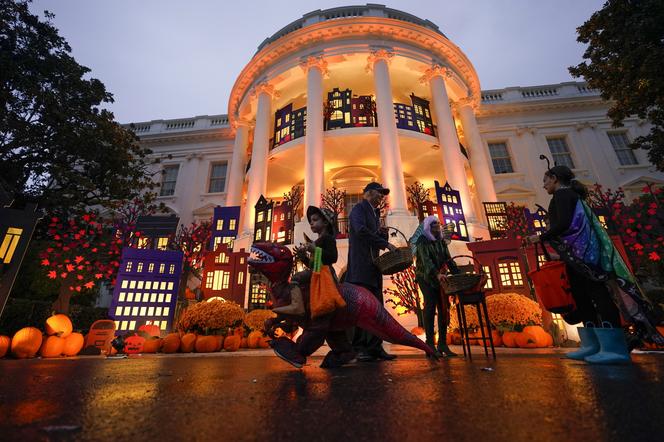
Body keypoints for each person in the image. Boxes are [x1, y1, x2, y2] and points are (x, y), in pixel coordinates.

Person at [526, 165, 663, 363]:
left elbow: (563, 224)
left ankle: (613, 348)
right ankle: (593, 345)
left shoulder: (564, 196)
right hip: (577, 256)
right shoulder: (570, 196)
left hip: (586, 257)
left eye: (546, 179)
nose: (543, 184)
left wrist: (540, 237)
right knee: (582, 298)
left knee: (598, 296)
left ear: (555, 178)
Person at [345, 182, 397, 362]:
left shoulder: (375, 214)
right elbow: (360, 231)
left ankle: (375, 347)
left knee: (377, 308)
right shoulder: (358, 209)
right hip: (361, 267)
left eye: (383, 195)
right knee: (361, 309)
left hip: (373, 267)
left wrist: (383, 235)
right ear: (369, 193)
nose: (381, 197)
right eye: (379, 193)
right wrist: (385, 243)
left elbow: (373, 237)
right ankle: (359, 348)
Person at [414, 215, 459, 357]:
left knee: (443, 307)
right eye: (433, 226)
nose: (436, 228)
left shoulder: (441, 241)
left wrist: (457, 274)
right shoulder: (422, 241)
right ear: (428, 227)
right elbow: (426, 260)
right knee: (430, 305)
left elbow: (448, 258)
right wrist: (436, 274)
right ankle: (429, 344)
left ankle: (442, 344)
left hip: (440, 277)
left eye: (437, 225)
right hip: (426, 277)